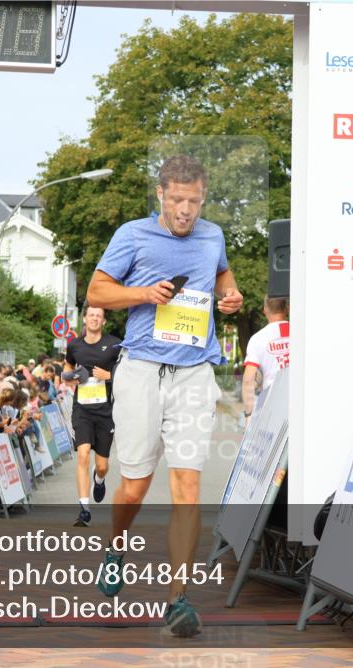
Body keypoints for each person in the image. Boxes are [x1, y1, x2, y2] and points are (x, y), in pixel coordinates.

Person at [86, 154, 243, 637]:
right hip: (142, 371)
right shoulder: (132, 235)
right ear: (160, 195)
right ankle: (116, 547)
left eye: (193, 201)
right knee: (133, 484)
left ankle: (178, 599)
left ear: (202, 198)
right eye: (177, 200)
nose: (185, 210)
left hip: (194, 373)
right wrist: (142, 294)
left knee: (187, 487)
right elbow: (96, 292)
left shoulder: (212, 235)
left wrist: (230, 293)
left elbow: (220, 272)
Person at [63, 306, 122, 527]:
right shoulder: (74, 345)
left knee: (102, 465)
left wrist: (108, 375)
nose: (95, 318)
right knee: (83, 455)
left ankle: (100, 479)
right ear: (85, 319)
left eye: (99, 316)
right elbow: (68, 365)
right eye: (91, 315)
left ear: (103, 321)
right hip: (83, 409)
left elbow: (126, 369)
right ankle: (84, 509)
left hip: (106, 411)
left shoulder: (115, 344)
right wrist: (67, 375)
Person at [242, 296, 290, 422]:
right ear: (287, 308)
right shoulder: (303, 333)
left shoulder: (257, 339)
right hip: (301, 401)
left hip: (272, 405)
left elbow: (248, 380)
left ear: (265, 310)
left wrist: (248, 415)